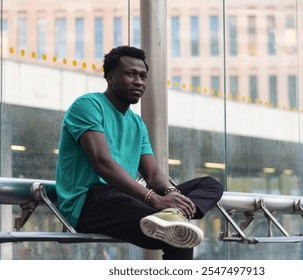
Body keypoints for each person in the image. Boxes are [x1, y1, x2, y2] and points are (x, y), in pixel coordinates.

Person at [55, 45, 223, 260]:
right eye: (130, 74)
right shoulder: (88, 105)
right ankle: (171, 217)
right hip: (90, 202)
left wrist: (170, 193)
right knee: (180, 237)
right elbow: (102, 162)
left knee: (209, 184)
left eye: (143, 76)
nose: (139, 82)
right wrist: (153, 199)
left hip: (126, 198)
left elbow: (153, 174)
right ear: (110, 77)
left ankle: (174, 213)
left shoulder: (136, 123)